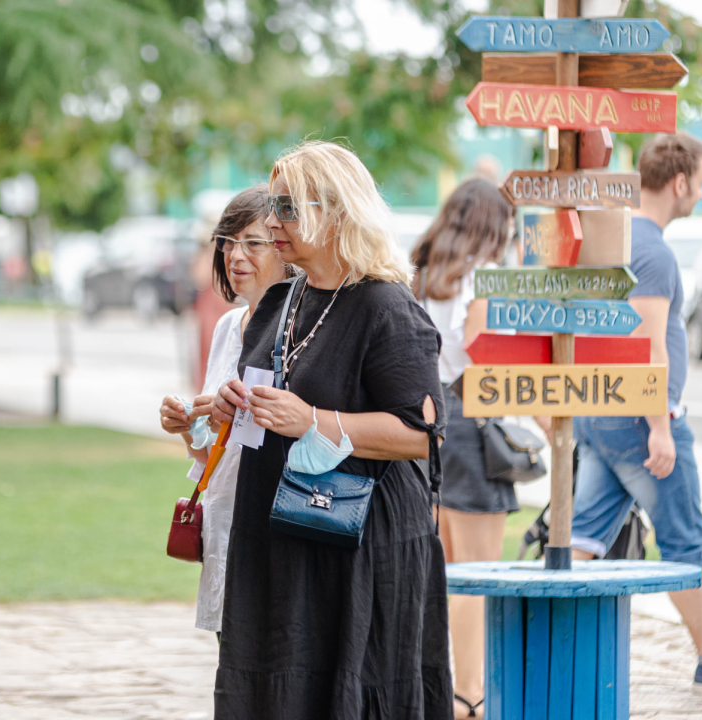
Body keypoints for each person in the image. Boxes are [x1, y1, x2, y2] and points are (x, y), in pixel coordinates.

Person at [210, 140, 453, 719]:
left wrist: (311, 421)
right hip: (277, 538)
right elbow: (274, 396)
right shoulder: (280, 302)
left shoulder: (387, 307)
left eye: (289, 208)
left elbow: (422, 435)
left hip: (359, 546)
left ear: (338, 212)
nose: (272, 221)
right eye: (275, 205)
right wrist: (233, 404)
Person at [569, 132, 702, 690]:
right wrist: (660, 425)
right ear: (680, 182)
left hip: (597, 410)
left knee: (582, 536)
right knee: (685, 538)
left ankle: (544, 632)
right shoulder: (654, 252)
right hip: (642, 420)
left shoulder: (611, 236)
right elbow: (648, 343)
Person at [159, 186, 292, 637]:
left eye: (253, 243)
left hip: (277, 534)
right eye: (228, 242)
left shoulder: (301, 332)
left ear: (286, 248)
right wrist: (185, 425)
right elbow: (211, 457)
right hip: (224, 524)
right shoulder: (227, 325)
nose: (236, 255)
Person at [410, 178, 517, 718]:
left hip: (427, 428)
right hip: (470, 426)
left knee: (441, 571)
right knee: (478, 574)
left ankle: (445, 688)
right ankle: (469, 695)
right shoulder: (482, 280)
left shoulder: (423, 273)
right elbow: (485, 365)